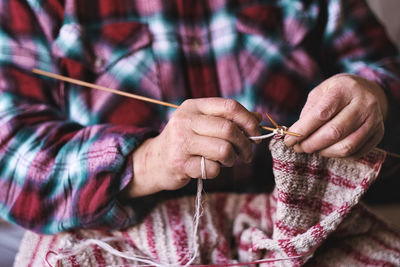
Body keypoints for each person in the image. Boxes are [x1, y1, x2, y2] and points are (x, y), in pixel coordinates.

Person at [0, 0, 399, 236]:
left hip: (309, 226)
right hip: (121, 236)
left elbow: (382, 67)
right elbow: (10, 160)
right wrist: (149, 160)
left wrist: (376, 95)